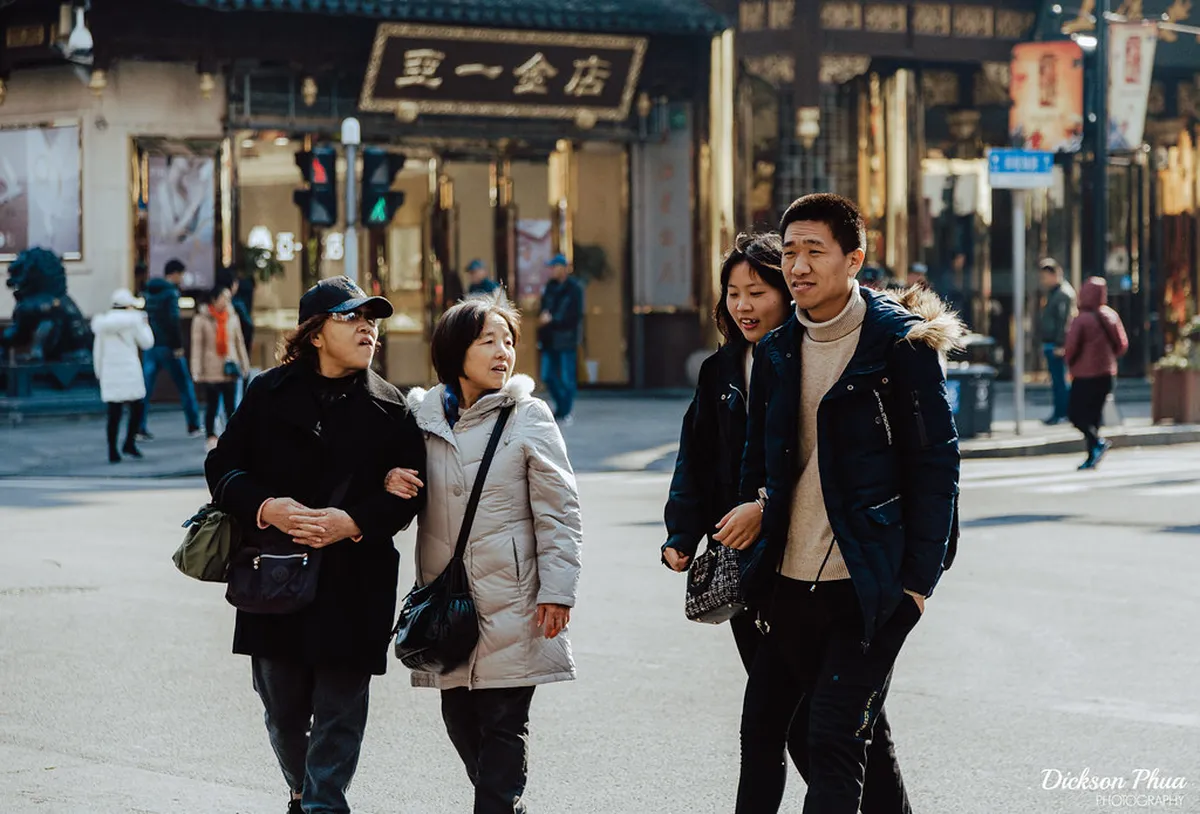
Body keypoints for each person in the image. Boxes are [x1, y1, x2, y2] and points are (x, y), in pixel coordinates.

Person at [730, 193, 963, 814]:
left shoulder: (900, 347)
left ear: (853, 258)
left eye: (815, 251)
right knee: (775, 734)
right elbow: (762, 459)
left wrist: (916, 584)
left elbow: (937, 465)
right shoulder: (779, 350)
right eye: (790, 253)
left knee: (833, 736)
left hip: (868, 588)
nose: (799, 267)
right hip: (786, 583)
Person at [204, 275, 426, 814]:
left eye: (372, 321)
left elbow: (411, 492)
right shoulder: (266, 392)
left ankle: (323, 804)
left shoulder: (392, 407)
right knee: (281, 709)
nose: (367, 329)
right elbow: (222, 465)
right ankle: (303, 790)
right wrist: (266, 506)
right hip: (272, 575)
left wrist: (352, 521)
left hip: (355, 581)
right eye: (351, 319)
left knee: (340, 713)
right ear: (315, 334)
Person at [385, 294, 582, 814]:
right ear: (455, 351)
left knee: (502, 727)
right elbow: (391, 486)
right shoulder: (423, 420)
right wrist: (389, 478)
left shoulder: (528, 416)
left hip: (515, 603)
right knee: (461, 724)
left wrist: (559, 591)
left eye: (509, 340)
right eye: (487, 340)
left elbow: (559, 512)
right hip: (448, 608)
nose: (503, 352)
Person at [1065, 276, 1128, 470]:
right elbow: (1122, 344)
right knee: (1093, 417)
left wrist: (1071, 363)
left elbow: (1071, 347)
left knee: (1075, 415)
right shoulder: (1111, 316)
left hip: (1084, 376)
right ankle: (1092, 454)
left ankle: (1096, 444)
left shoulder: (1081, 319)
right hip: (1107, 375)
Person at [138, 259, 202, 440]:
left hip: (151, 345)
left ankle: (139, 427)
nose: (182, 279)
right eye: (180, 275)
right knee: (184, 385)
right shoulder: (171, 294)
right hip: (168, 347)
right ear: (173, 274)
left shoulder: (148, 292)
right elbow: (173, 321)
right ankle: (193, 425)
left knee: (145, 389)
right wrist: (178, 346)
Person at [91, 288, 155, 463]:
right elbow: (147, 343)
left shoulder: (102, 324)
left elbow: (98, 351)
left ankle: (112, 450)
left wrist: (99, 373)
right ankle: (129, 442)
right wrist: (145, 324)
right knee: (136, 408)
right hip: (130, 370)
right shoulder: (134, 321)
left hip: (110, 371)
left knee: (114, 413)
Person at [191, 287, 251, 451]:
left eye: (228, 298)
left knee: (230, 406)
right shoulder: (202, 318)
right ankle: (211, 437)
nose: (226, 302)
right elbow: (197, 346)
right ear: (214, 299)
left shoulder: (232, 317)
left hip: (229, 367)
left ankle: (232, 436)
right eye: (223, 298)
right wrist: (196, 369)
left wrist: (244, 364)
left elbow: (239, 342)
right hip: (210, 368)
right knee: (212, 405)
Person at [537, 254, 584, 425]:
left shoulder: (575, 288)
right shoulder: (549, 287)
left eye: (554, 267)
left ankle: (565, 411)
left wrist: (553, 319)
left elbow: (575, 316)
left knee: (566, 378)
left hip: (566, 339)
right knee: (547, 375)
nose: (552, 271)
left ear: (563, 268)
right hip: (549, 338)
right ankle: (561, 408)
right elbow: (544, 309)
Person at [1039, 258, 1077, 425]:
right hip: (1051, 343)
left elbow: (1064, 321)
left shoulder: (1063, 294)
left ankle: (1062, 413)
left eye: (1046, 276)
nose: (1044, 281)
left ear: (1055, 274)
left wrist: (1061, 344)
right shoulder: (1055, 293)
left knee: (1060, 381)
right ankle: (1061, 412)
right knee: (1057, 381)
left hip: (1056, 345)